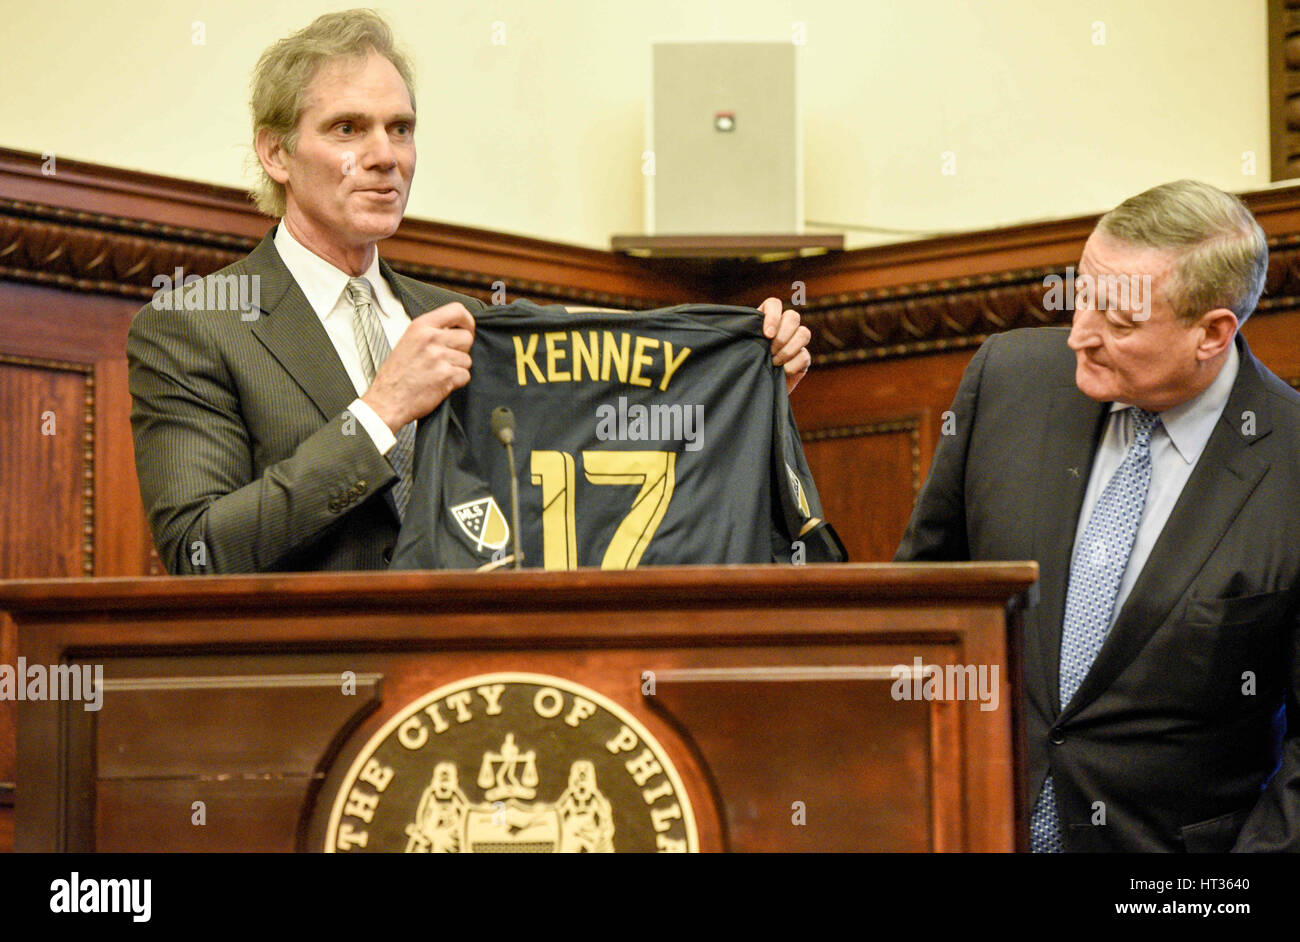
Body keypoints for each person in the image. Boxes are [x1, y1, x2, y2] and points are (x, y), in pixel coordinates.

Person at [127, 10, 811, 574]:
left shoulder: (462, 322)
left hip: (471, 681)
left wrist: (738, 382)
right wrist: (377, 416)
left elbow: (584, 469)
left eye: (401, 128)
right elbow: (200, 551)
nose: (385, 155)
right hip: (299, 697)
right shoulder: (194, 325)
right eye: (347, 128)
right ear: (276, 153)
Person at [896, 179, 1300, 852]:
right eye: (1082, 294)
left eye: (1119, 320)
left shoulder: (1289, 462)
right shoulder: (1008, 381)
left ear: (1211, 332)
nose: (1080, 334)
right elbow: (918, 606)